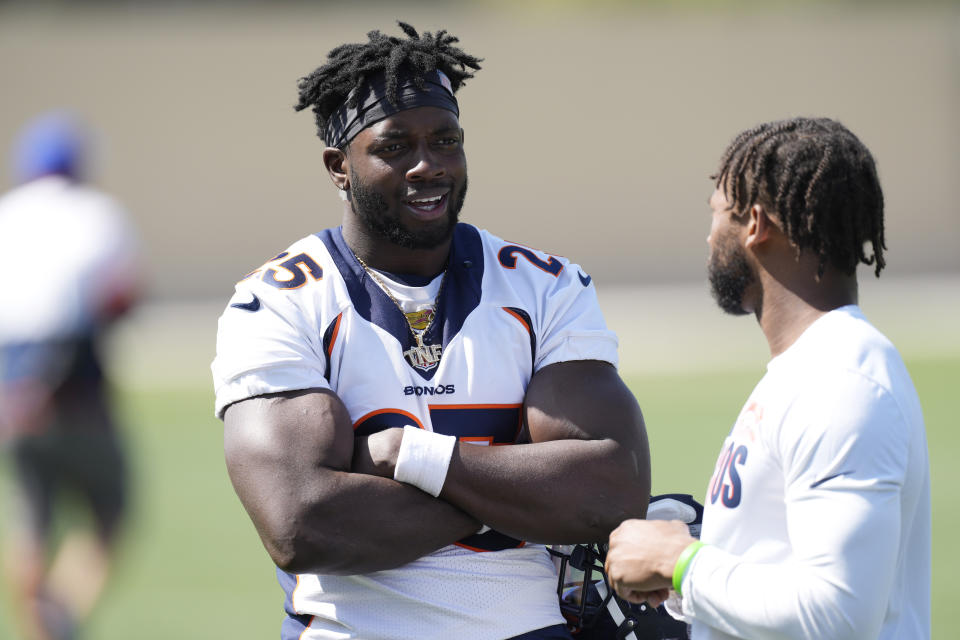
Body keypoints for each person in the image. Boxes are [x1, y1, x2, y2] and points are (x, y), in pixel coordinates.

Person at [211, 22, 651, 640]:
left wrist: (410, 455)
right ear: (339, 167)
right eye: (395, 147)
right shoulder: (278, 302)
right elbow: (300, 526)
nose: (428, 166)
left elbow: (612, 491)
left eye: (446, 141)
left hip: (527, 627)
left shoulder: (547, 286)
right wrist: (517, 487)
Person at [604, 117, 930, 639]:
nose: (708, 236)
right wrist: (684, 574)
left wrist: (680, 562)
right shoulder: (804, 371)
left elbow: (838, 615)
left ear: (754, 225)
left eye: (716, 214)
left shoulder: (840, 382)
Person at [0, 111, 140, 640]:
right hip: (73, 379)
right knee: (109, 509)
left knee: (31, 518)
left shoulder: (6, 215)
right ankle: (61, 617)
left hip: (9, 385)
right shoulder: (96, 213)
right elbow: (120, 294)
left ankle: (37, 628)